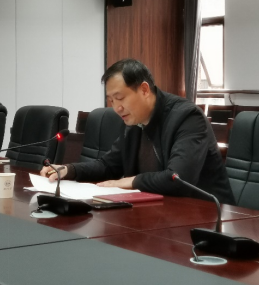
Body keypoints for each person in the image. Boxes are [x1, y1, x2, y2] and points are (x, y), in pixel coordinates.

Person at [40, 59, 235, 204]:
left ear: (144, 90)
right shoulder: (133, 121)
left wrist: (132, 181)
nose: (116, 108)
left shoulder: (187, 117)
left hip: (206, 217)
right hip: (158, 211)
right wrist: (69, 170)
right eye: (111, 100)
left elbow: (179, 178)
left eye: (120, 98)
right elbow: (109, 166)